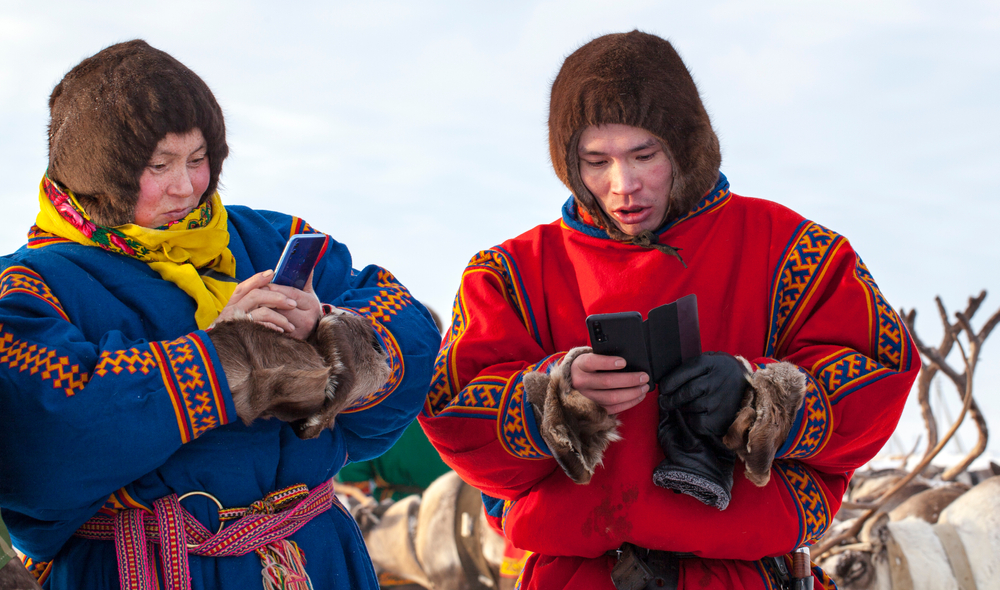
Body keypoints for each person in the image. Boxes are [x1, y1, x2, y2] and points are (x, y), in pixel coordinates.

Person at [419, 31, 919, 589]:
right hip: (574, 577)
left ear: (685, 147)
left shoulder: (795, 249)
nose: (623, 185)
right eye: (595, 161)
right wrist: (553, 399)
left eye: (644, 155)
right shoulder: (509, 274)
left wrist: (762, 397)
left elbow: (882, 374)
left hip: (744, 576)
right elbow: (449, 411)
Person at [0, 40, 439, 589]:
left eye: (198, 159)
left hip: (316, 560)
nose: (185, 186)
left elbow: (410, 330)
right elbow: (43, 443)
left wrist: (326, 333)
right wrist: (226, 359)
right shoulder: (29, 286)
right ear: (98, 174)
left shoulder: (267, 238)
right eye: (158, 165)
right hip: (141, 569)